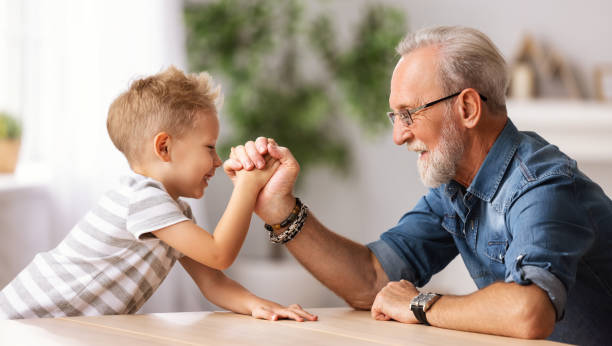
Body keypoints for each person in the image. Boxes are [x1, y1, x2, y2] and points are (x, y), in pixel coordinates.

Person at [224, 26, 612, 344]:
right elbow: (372, 280)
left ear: (467, 108)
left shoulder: (542, 185)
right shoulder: (455, 190)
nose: (398, 136)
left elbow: (529, 312)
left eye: (409, 113)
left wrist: (420, 303)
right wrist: (280, 208)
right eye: (395, 115)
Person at [0, 66, 317, 323]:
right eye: (209, 147)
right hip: (24, 320)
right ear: (164, 147)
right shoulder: (143, 198)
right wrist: (248, 186)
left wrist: (259, 305)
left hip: (50, 327)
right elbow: (220, 253)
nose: (218, 161)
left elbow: (214, 282)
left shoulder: (171, 213)